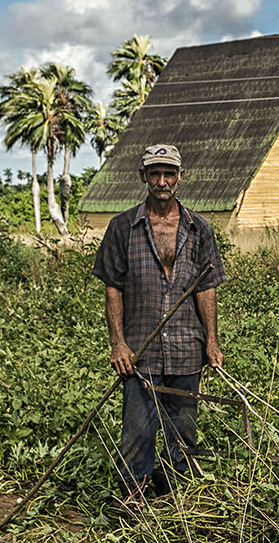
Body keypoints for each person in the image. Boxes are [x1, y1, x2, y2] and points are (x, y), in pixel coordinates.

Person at [94, 143, 226, 503]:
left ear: (180, 177)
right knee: (137, 432)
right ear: (143, 177)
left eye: (169, 173)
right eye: (155, 173)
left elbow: (207, 289)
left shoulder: (200, 229)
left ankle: (172, 500)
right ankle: (133, 502)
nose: (162, 181)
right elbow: (113, 289)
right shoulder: (123, 227)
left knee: (182, 431)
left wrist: (211, 340)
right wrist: (118, 344)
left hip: (187, 348)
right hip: (140, 351)